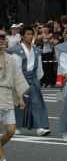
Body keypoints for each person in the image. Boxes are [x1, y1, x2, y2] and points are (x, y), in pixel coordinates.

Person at [6, 26, 50, 137]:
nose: (30, 36)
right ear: (22, 36)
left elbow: (39, 69)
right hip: (20, 78)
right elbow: (16, 68)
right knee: (19, 104)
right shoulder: (16, 50)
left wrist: (37, 80)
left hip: (33, 79)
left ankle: (40, 127)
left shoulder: (36, 50)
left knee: (37, 102)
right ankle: (15, 126)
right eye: (27, 34)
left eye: (31, 34)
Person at [0, 29, 29, 161]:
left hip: (7, 96)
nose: (2, 40)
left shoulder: (11, 58)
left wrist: (20, 97)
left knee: (11, 130)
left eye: (3, 38)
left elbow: (17, 78)